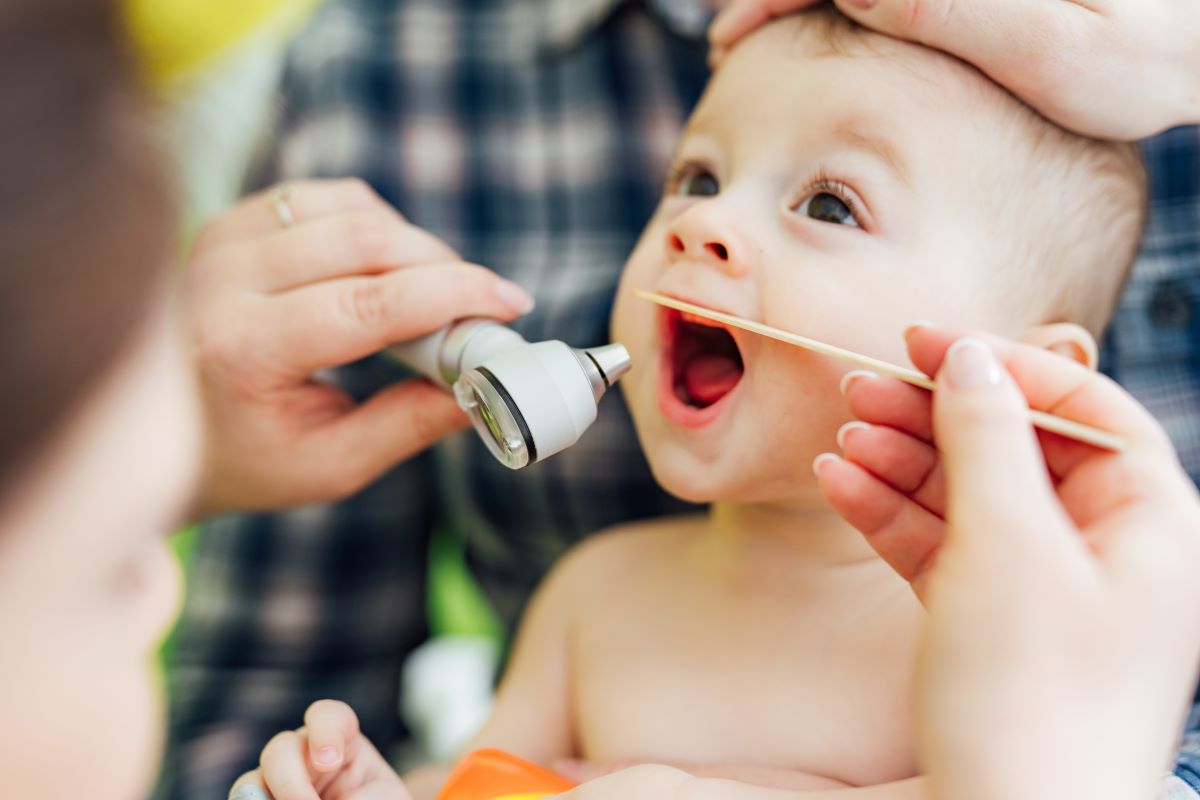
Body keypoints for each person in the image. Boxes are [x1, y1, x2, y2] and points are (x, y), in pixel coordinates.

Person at [0, 4, 1194, 800]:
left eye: (830, 204)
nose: (700, 223)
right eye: (698, 174)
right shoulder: (593, 602)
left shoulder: (1016, 644)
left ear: (1025, 374)